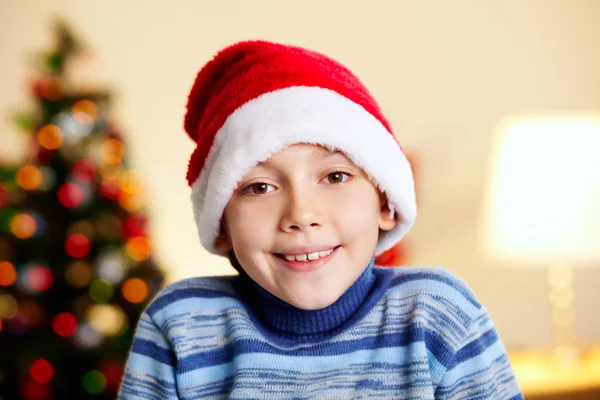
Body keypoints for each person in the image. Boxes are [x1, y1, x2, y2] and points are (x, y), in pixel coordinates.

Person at [118, 40, 523, 399]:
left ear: (385, 203)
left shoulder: (438, 316)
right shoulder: (183, 327)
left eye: (334, 177)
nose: (301, 215)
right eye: (259, 187)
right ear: (221, 223)